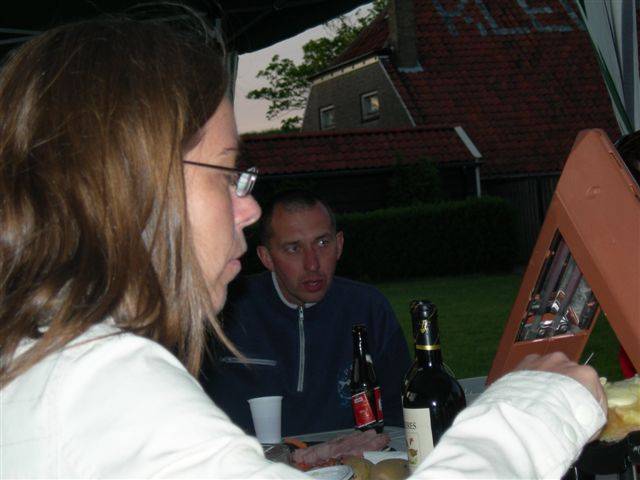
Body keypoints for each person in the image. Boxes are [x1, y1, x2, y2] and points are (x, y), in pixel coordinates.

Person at [0, 12, 606, 480]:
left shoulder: (44, 362)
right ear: (133, 186)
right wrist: (533, 411)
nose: (248, 208)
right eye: (226, 174)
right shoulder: (101, 385)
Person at [200, 190, 412, 436]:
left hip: (354, 457)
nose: (312, 264)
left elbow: (403, 413)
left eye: (322, 243)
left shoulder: (369, 309)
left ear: (339, 245)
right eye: (293, 248)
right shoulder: (225, 311)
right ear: (267, 257)